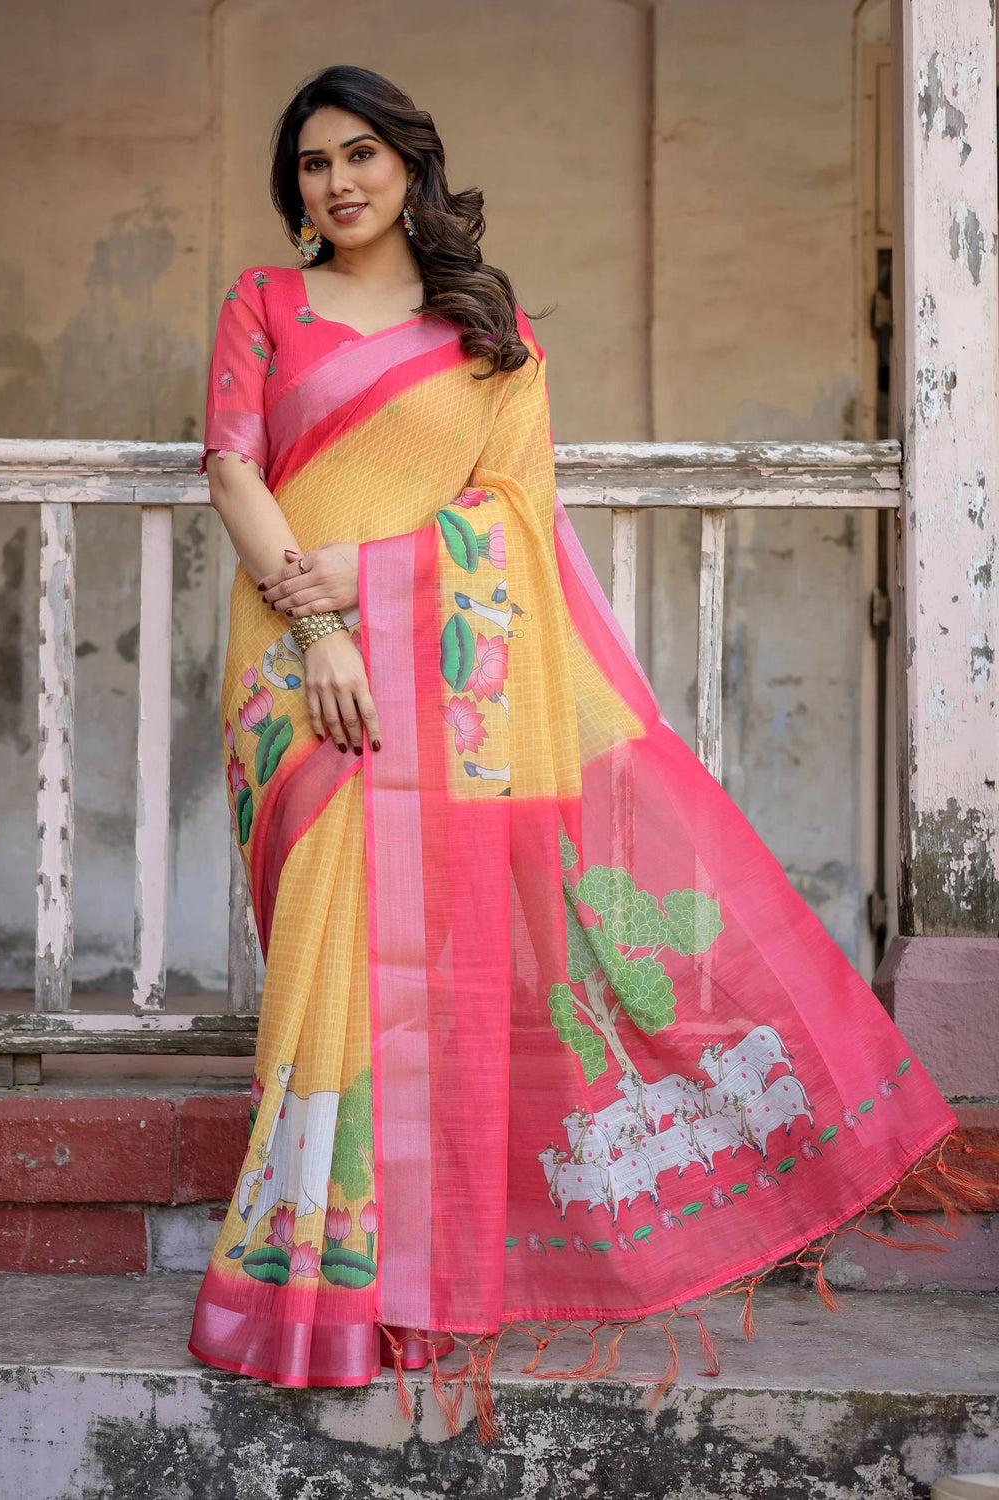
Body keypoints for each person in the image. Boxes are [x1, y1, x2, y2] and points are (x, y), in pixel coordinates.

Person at [187, 62, 964, 1428]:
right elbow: (236, 466)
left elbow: (511, 520)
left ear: (411, 165)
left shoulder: (488, 332)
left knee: (427, 976)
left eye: (362, 154)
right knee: (328, 942)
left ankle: (413, 1287)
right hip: (299, 668)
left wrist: (379, 590)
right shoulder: (263, 303)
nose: (338, 182)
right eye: (314, 163)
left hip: (443, 677)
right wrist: (323, 630)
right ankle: (313, 1282)